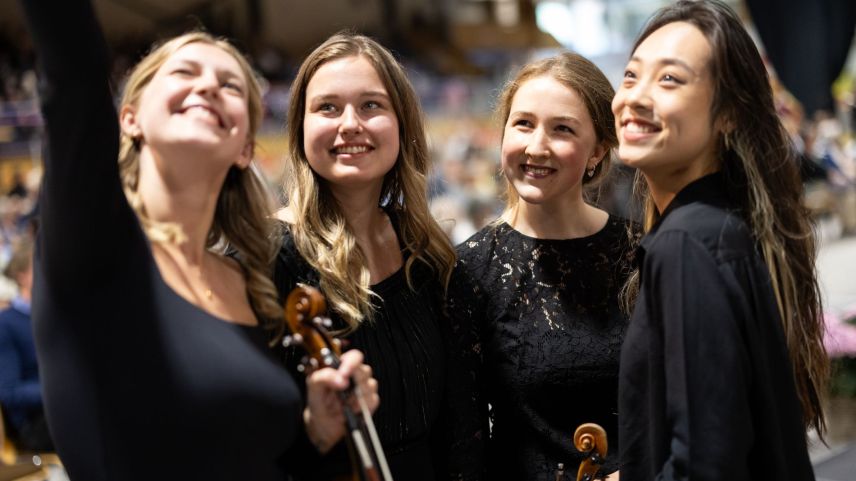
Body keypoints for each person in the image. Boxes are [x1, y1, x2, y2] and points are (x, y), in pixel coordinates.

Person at [20, 1, 377, 480]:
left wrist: (316, 431)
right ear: (129, 119)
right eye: (184, 72)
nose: (208, 85)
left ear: (245, 147)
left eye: (230, 86)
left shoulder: (248, 280)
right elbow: (75, 73)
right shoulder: (95, 246)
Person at [613, 1, 828, 480]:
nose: (636, 97)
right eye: (631, 76)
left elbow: (706, 464)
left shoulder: (688, 243)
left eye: (669, 79)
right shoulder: (722, 226)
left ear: (728, 114)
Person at [442, 52, 640, 480]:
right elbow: (464, 437)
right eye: (523, 124)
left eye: (562, 129)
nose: (536, 146)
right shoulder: (469, 269)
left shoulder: (642, 251)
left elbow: (681, 396)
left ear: (598, 150)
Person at [273, 33, 456, 480]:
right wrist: (315, 429)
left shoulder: (424, 253)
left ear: (401, 124)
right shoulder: (271, 257)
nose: (350, 124)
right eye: (328, 108)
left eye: (371, 105)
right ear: (301, 127)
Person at [0, 237, 53, 452]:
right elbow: (9, 392)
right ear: (22, 275)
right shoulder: (8, 323)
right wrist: (57, 389)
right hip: (35, 422)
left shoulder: (59, 316)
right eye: (41, 266)